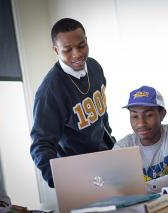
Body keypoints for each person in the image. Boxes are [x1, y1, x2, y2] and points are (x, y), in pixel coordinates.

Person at [30, 18, 115, 188]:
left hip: (106, 161)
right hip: (77, 173)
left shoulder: (94, 66)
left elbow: (102, 114)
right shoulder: (50, 90)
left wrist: (112, 143)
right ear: (56, 50)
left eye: (81, 46)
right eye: (67, 50)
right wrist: (60, 182)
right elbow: (41, 143)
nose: (77, 54)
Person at [113, 86, 168, 193]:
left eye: (149, 115)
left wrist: (141, 189)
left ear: (162, 114)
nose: (141, 123)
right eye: (135, 116)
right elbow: (115, 187)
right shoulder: (123, 147)